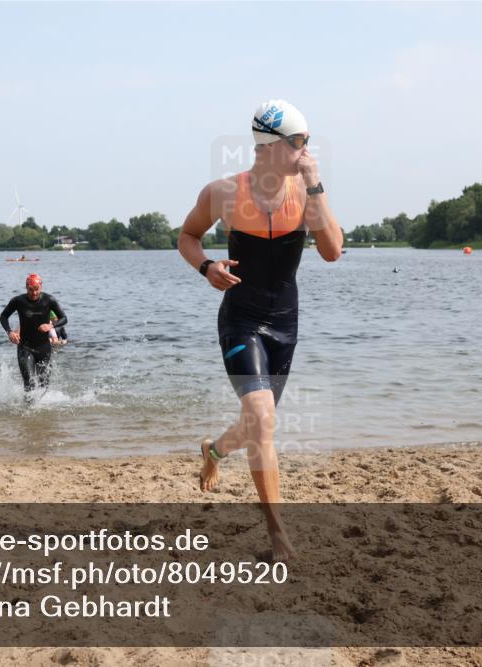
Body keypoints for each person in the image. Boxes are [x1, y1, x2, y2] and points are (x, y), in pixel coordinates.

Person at [177, 99, 343, 561]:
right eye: (300, 142)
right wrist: (207, 266)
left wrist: (316, 186)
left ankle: (213, 451)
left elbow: (331, 251)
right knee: (264, 421)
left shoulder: (309, 192)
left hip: (285, 323)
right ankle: (278, 539)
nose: (308, 149)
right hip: (241, 320)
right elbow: (186, 236)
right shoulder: (224, 193)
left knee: (256, 425)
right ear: (271, 145)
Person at [0, 273, 68, 392]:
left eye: (36, 289)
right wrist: (9, 332)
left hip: (44, 348)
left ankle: (40, 409)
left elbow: (64, 318)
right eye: (31, 290)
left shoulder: (49, 300)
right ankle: (27, 409)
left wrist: (50, 325)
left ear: (40, 287)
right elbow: (3, 316)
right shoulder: (18, 301)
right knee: (29, 383)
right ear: (26, 287)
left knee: (43, 385)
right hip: (25, 347)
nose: (34, 293)